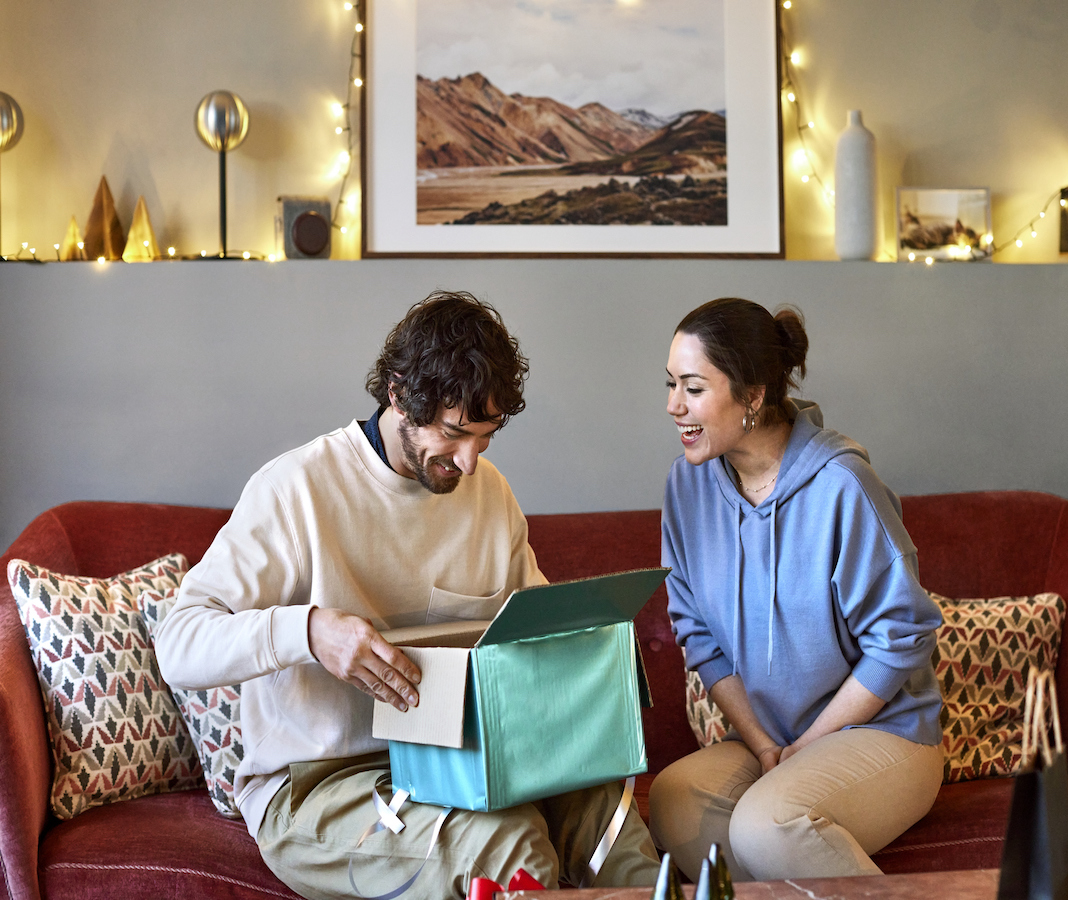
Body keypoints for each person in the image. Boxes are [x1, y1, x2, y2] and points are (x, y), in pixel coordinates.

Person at [156, 291, 659, 900]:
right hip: (320, 784)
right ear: (398, 394)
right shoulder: (296, 490)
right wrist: (308, 632)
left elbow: (537, 632)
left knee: (613, 825)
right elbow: (178, 645)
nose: (471, 462)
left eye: (487, 436)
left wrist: (595, 657)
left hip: (465, 757)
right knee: (509, 845)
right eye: (455, 433)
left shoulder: (489, 494)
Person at [649, 297, 943, 882]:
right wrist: (762, 745)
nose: (673, 405)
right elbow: (698, 634)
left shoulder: (842, 485)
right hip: (768, 737)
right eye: (670, 384)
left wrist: (808, 744)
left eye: (693, 387)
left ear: (753, 395)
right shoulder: (687, 487)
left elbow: (900, 641)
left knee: (768, 824)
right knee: (674, 801)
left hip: (882, 734)